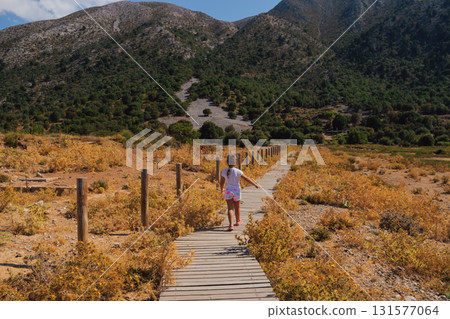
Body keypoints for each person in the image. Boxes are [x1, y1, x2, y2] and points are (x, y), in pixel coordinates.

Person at [220, 155, 259, 231]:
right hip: (236, 191)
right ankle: (238, 221)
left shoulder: (224, 171)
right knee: (237, 208)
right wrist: (254, 184)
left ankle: (231, 225)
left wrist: (222, 189)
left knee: (230, 208)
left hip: (228, 191)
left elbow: (221, 182)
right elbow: (246, 178)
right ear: (235, 162)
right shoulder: (238, 171)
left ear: (227, 162)